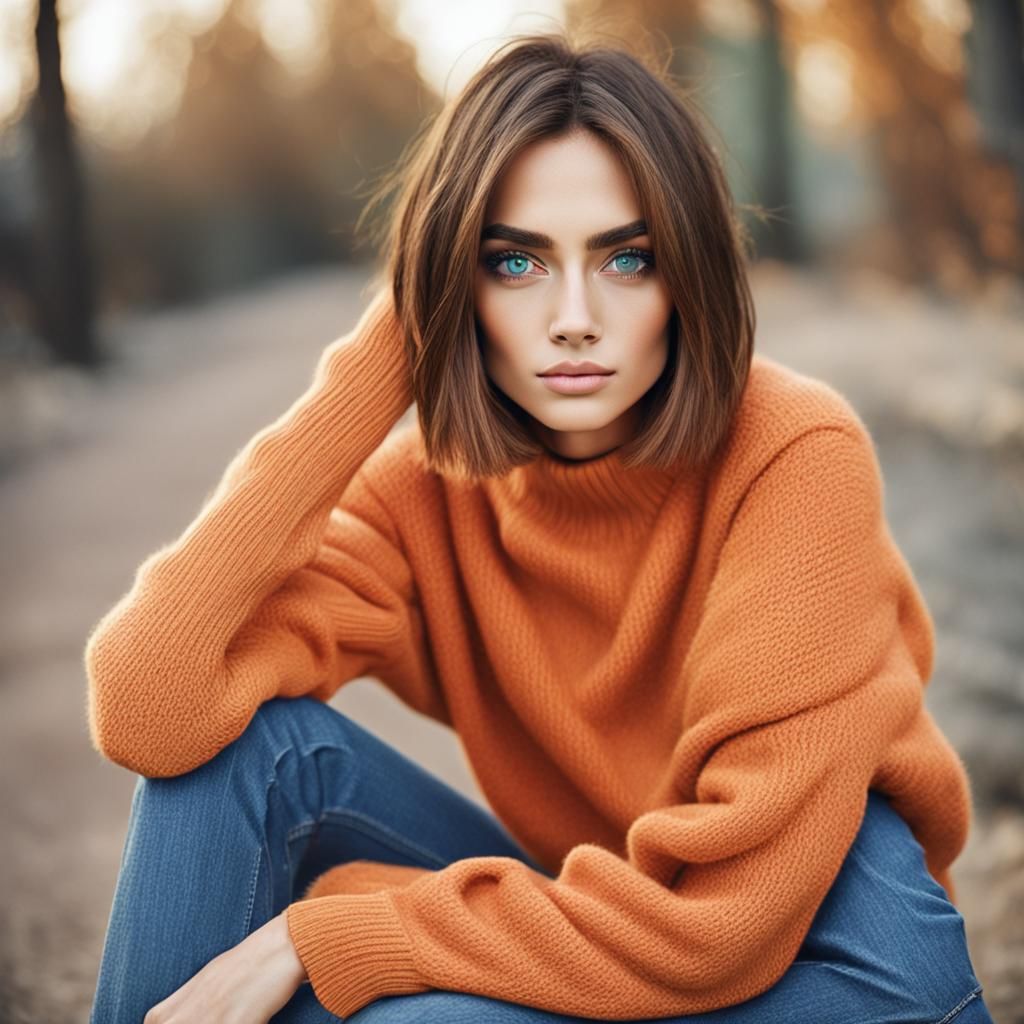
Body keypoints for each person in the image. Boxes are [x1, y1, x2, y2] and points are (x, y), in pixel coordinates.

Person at [85, 29, 993, 1024]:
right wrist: (387, 356)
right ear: (454, 284)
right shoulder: (425, 494)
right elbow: (150, 705)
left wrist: (344, 932)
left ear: (685, 273)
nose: (572, 316)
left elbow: (722, 921)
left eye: (626, 259)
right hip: (608, 911)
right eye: (515, 262)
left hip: (831, 959)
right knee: (231, 759)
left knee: (371, 1008)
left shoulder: (792, 452)